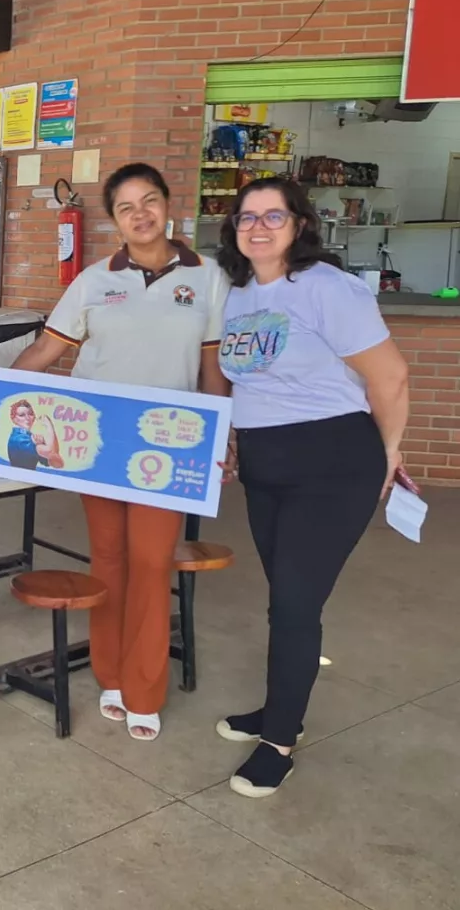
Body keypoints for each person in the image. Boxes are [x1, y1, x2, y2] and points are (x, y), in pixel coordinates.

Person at [0, 163, 229, 741]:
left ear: (167, 204)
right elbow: (46, 350)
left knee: (151, 563)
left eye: (149, 201)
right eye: (126, 208)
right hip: (98, 444)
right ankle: (111, 676)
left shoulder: (209, 278)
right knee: (108, 560)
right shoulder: (94, 281)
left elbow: (213, 368)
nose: (140, 214)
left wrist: (223, 434)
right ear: (115, 221)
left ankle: (144, 688)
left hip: (168, 444)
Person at [214, 177, 408, 797]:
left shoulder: (327, 287)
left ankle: (279, 742)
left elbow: (390, 377)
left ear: (299, 224)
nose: (259, 227)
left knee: (297, 604)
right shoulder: (241, 292)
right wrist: (234, 436)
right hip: (265, 466)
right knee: (284, 599)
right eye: (247, 217)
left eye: (274, 215)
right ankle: (280, 709)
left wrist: (388, 454)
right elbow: (252, 381)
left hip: (332, 465)